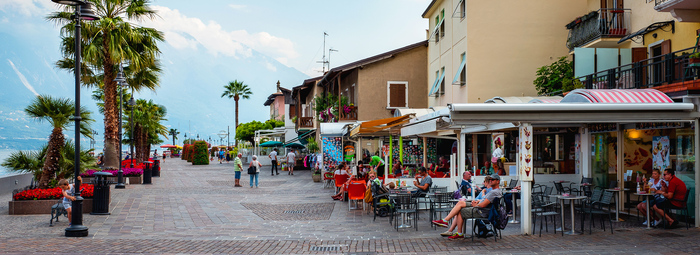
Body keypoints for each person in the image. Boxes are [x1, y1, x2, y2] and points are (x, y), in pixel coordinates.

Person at [432, 174, 502, 239]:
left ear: (498, 181)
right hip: (481, 208)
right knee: (460, 203)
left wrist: (476, 205)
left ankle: (458, 233)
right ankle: (446, 221)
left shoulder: (494, 192)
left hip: (481, 210)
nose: (490, 181)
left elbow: (483, 205)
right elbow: (486, 200)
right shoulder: (494, 191)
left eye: (492, 180)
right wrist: (478, 201)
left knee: (460, 210)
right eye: (490, 180)